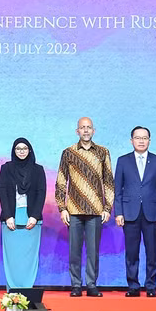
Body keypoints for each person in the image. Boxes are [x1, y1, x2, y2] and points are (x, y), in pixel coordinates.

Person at [55, 117, 114, 297]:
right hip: (73, 210)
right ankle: (75, 285)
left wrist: (107, 208)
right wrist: (62, 208)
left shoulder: (103, 152)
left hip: (96, 210)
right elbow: (61, 181)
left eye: (89, 127)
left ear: (94, 131)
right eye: (82, 128)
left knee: (93, 250)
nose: (86, 130)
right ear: (77, 131)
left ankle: (91, 284)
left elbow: (109, 181)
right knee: (74, 250)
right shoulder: (68, 153)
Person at [113, 126, 156, 298]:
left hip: (152, 213)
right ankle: (133, 286)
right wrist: (118, 212)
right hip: (130, 213)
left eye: (145, 138)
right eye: (138, 138)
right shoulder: (123, 161)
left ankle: (151, 286)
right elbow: (118, 190)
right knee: (131, 252)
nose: (141, 141)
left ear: (149, 141)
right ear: (132, 141)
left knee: (152, 252)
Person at [0, 138, 46, 290]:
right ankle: (12, 289)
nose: (21, 151)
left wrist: (35, 215)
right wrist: (7, 216)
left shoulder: (38, 170)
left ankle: (27, 288)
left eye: (24, 148)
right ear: (14, 151)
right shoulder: (6, 168)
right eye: (18, 148)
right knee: (13, 257)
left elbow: (41, 193)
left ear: (29, 150)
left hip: (31, 218)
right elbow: (3, 192)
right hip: (11, 218)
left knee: (28, 257)